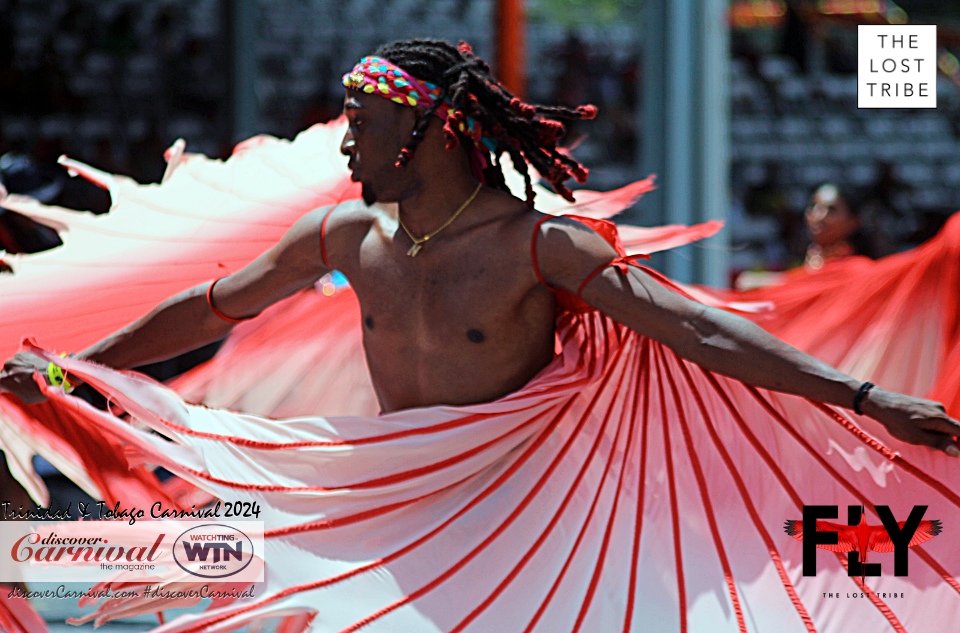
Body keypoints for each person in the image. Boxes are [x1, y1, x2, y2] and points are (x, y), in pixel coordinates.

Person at [2, 39, 959, 632]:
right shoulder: (345, 233)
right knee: (179, 578)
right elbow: (213, 305)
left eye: (364, 127)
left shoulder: (538, 246)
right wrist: (72, 366)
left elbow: (698, 329)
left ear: (436, 130)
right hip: (385, 499)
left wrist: (869, 401)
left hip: (524, 515)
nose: (345, 147)